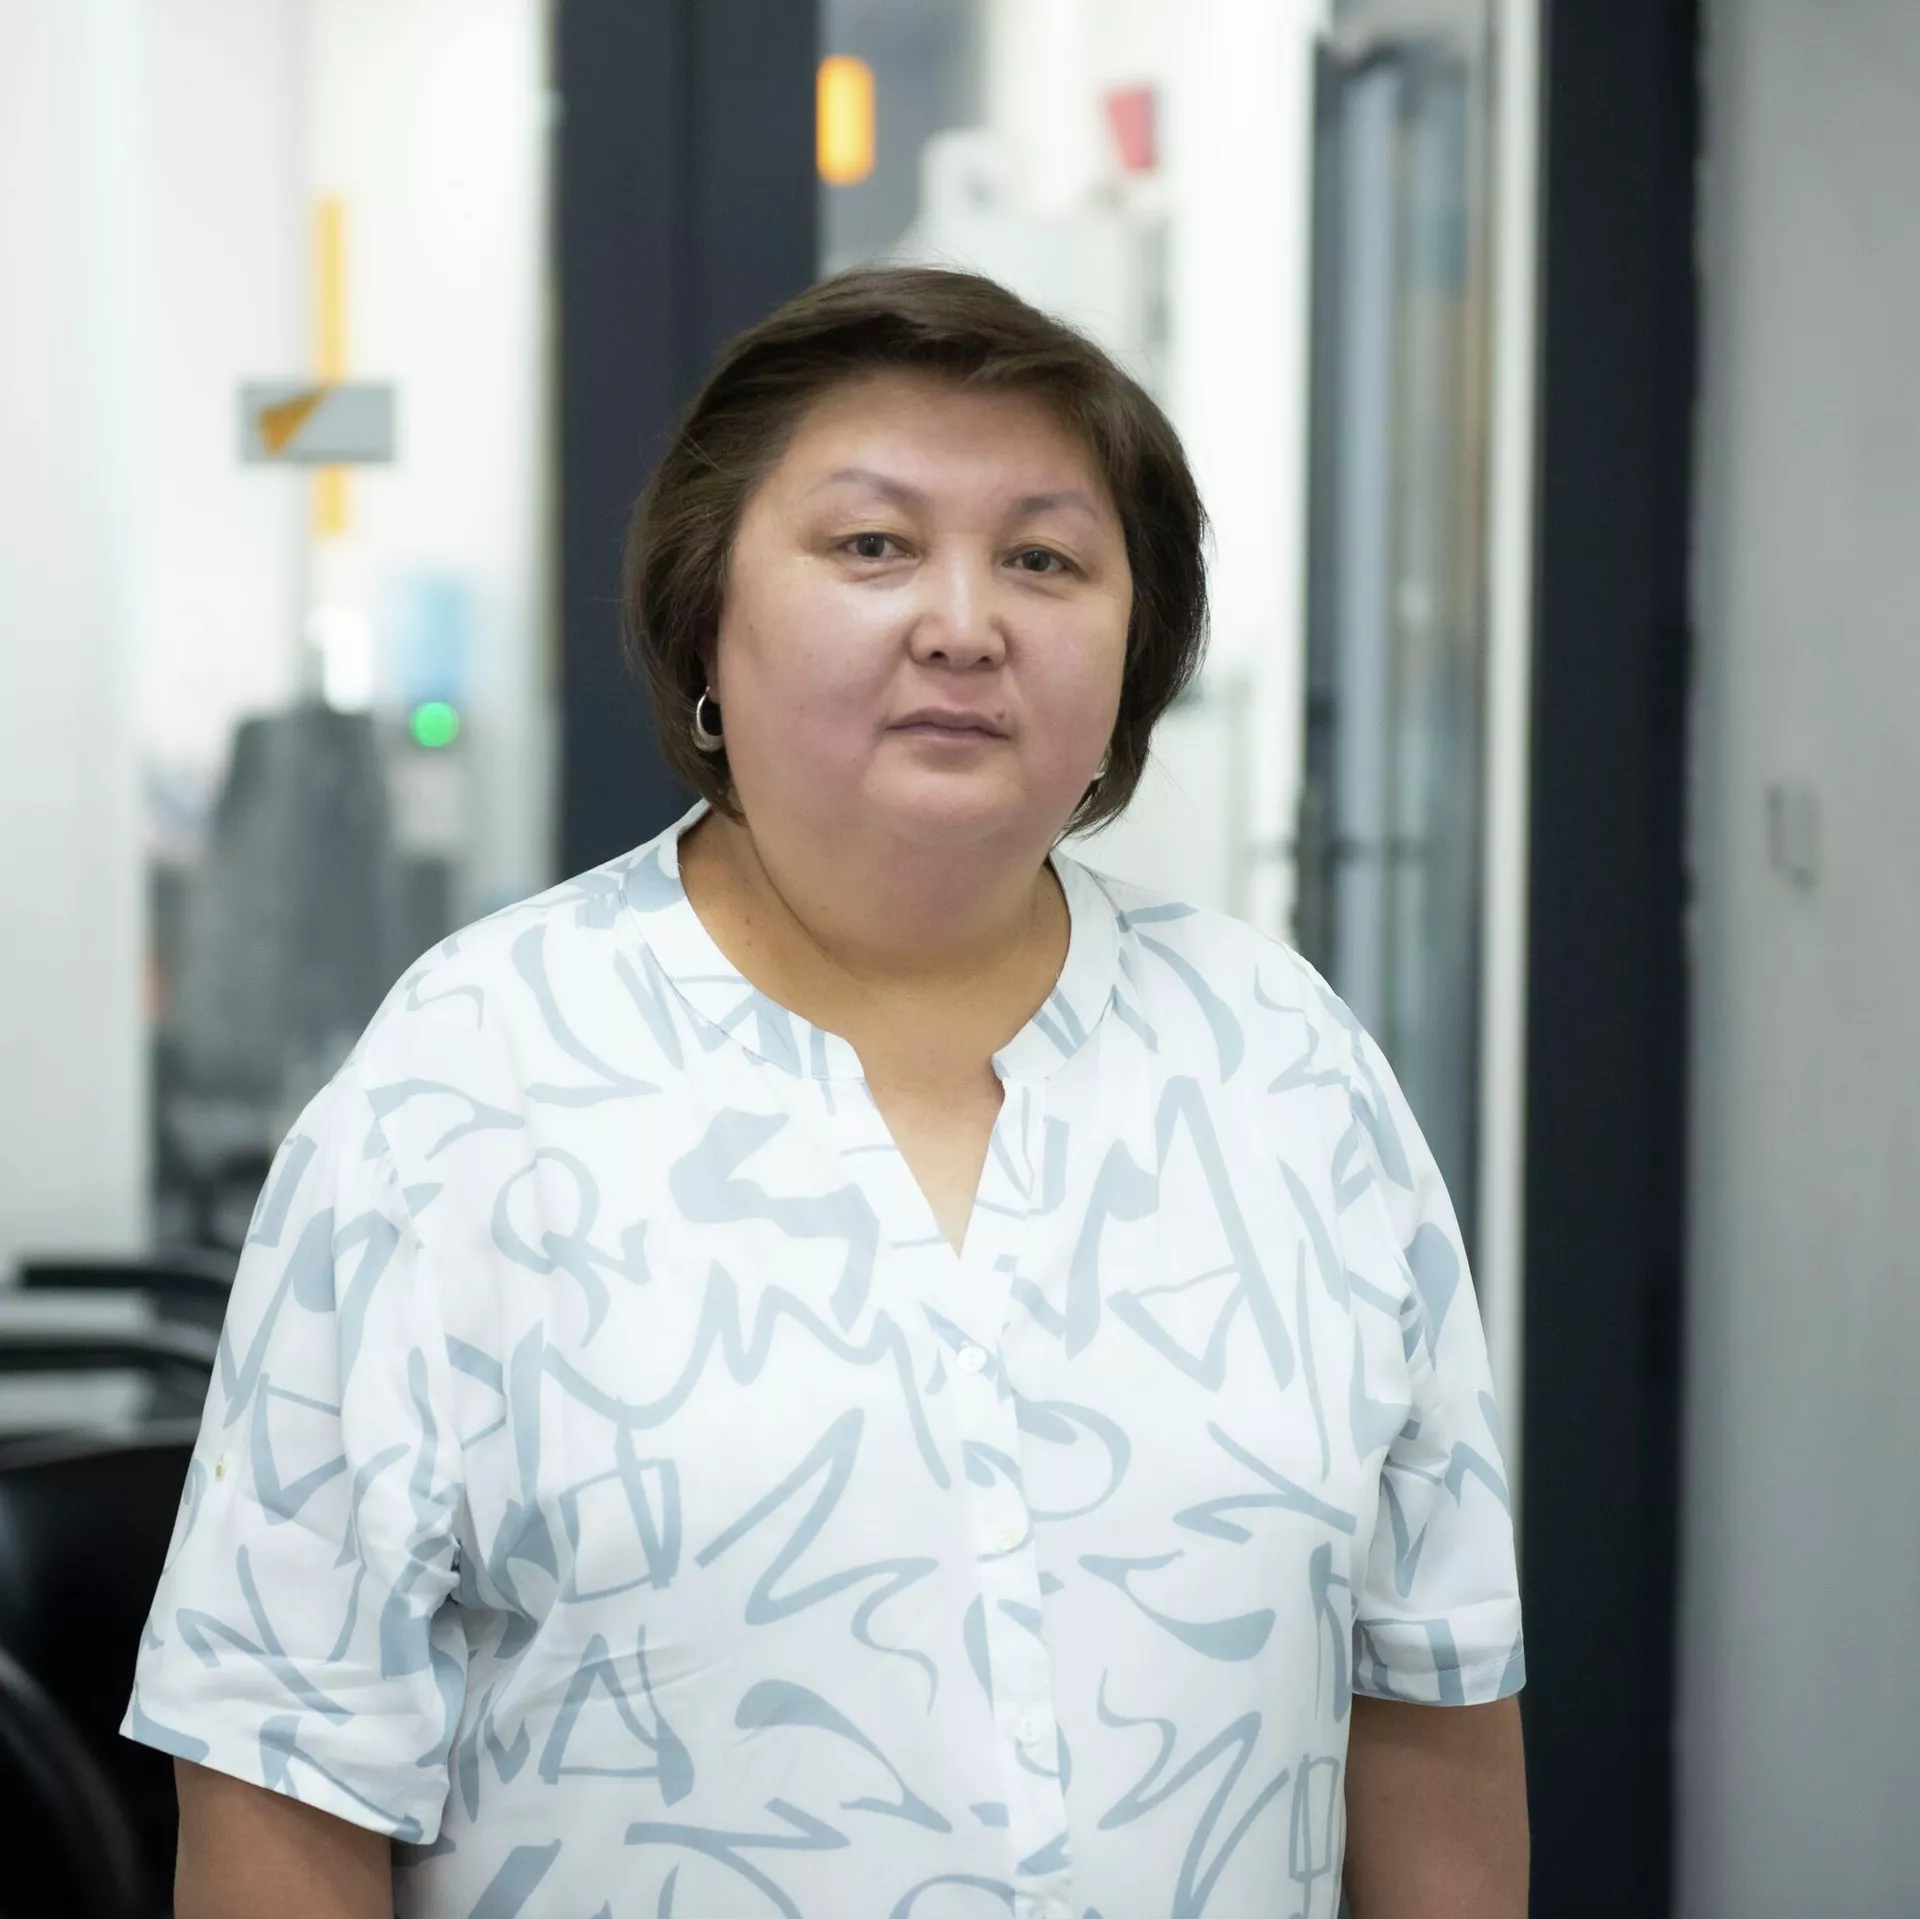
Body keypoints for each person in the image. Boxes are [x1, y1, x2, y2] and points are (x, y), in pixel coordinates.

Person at [128, 266, 1527, 1918]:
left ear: (1133, 653)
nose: (964, 621)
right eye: (872, 544)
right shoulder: (464, 1084)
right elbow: (279, 1767)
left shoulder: (1290, 1070)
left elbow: (1430, 1697)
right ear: (705, 624)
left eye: (1045, 558)